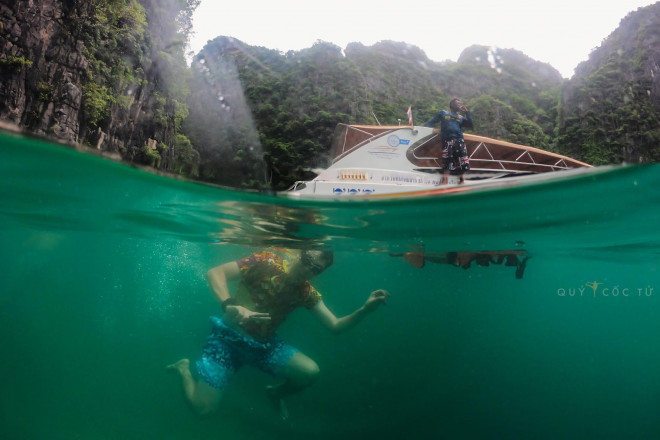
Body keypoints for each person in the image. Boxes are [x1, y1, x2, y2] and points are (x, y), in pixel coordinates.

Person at [167, 249, 389, 420]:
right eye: (307, 261)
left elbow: (335, 325)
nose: (308, 269)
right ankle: (184, 370)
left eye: (315, 269)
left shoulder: (306, 292)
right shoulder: (266, 261)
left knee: (310, 372)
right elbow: (215, 273)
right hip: (227, 339)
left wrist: (364, 311)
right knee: (202, 410)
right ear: (300, 253)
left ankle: (275, 393)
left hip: (264, 346)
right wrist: (228, 305)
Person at [424, 98, 474, 184]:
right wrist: (423, 127)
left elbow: (471, 125)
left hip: (459, 140)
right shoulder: (443, 113)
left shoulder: (460, 117)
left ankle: (461, 179)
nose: (459, 104)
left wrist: (467, 112)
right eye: (457, 103)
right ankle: (445, 180)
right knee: (447, 159)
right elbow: (433, 121)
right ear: (451, 105)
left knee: (462, 160)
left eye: (460, 103)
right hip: (447, 139)